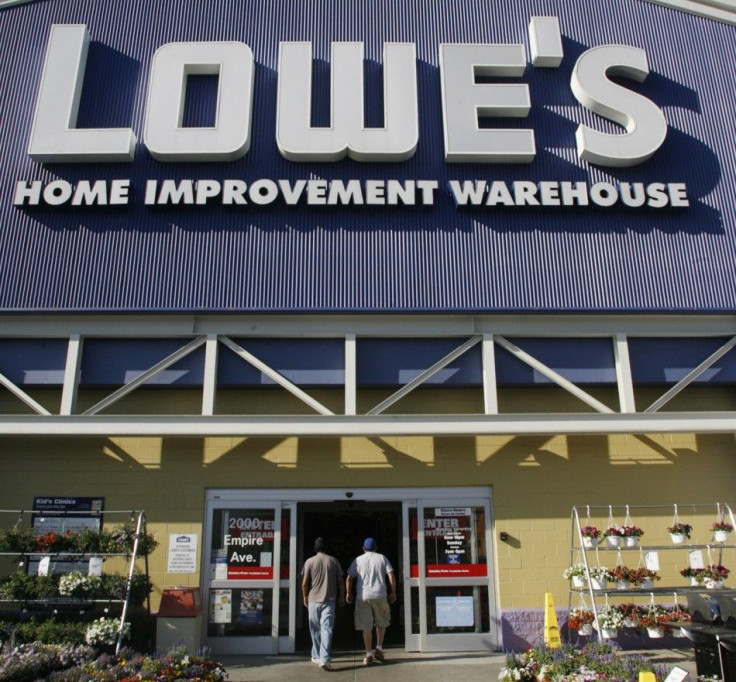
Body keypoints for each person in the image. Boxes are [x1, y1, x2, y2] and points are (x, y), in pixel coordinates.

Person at [345, 537, 397, 665]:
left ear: (363, 548)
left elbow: (349, 578)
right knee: (381, 623)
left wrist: (348, 593)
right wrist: (393, 591)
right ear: (376, 548)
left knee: (366, 626)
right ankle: (379, 649)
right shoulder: (382, 558)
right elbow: (391, 574)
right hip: (380, 594)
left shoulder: (358, 560)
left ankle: (368, 654)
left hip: (363, 596)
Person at [301, 537, 345, 671]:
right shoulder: (333, 561)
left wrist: (305, 596)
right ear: (326, 548)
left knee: (315, 629)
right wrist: (342, 596)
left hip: (313, 600)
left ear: (315, 548)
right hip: (329, 600)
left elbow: (304, 583)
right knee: (327, 629)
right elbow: (341, 581)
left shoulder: (309, 561)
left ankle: (317, 655)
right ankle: (324, 658)